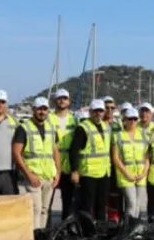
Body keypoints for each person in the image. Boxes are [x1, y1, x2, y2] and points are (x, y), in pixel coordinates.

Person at [12, 97, 60, 229]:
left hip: (49, 176)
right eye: (39, 109)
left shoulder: (51, 128)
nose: (42, 112)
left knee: (45, 210)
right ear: (33, 109)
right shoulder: (24, 128)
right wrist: (29, 175)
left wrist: (58, 173)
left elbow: (55, 151)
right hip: (33, 176)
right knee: (35, 210)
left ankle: (42, 239)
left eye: (45, 109)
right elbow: (16, 153)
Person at [70, 99, 112, 220]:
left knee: (102, 206)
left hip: (104, 173)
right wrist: (74, 170)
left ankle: (100, 232)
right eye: (95, 111)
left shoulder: (106, 127)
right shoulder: (83, 128)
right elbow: (74, 151)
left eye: (100, 111)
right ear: (90, 112)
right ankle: (87, 234)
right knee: (87, 206)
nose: (98, 114)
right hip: (89, 173)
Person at [112, 108, 149, 219]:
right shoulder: (118, 136)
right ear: (124, 120)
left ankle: (134, 231)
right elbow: (115, 158)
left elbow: (147, 157)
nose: (132, 121)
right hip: (125, 176)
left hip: (140, 175)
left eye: (135, 119)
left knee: (137, 205)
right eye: (130, 119)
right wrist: (126, 173)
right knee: (131, 203)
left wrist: (144, 173)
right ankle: (128, 230)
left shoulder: (143, 135)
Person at [49, 88, 78, 220]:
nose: (62, 101)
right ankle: (45, 228)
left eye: (65, 98)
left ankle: (65, 227)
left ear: (69, 101)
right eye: (59, 98)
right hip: (51, 164)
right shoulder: (49, 118)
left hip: (68, 165)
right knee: (47, 202)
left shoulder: (74, 120)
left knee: (68, 201)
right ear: (55, 101)